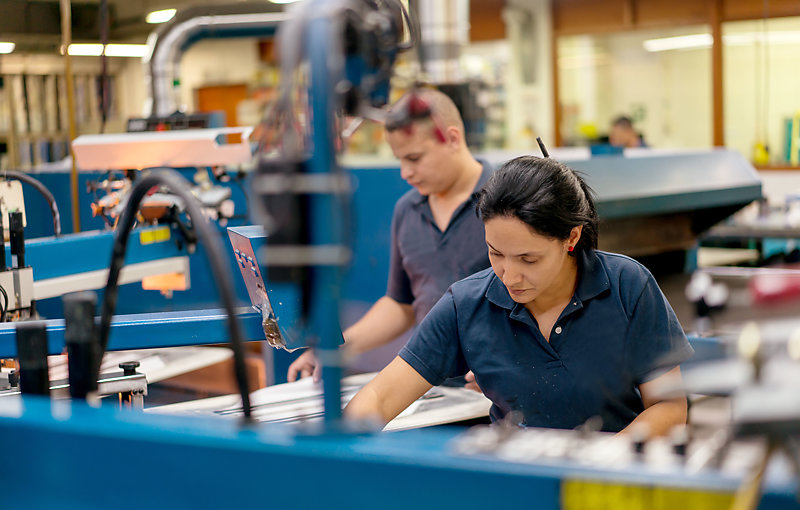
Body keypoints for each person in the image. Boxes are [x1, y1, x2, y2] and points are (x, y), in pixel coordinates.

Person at [345, 155, 693, 435]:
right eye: (495, 253)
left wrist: (600, 462)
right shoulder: (466, 305)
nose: (509, 276)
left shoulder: (627, 286)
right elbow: (380, 395)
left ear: (571, 238)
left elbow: (670, 407)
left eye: (529, 259)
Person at [287, 88, 493, 384]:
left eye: (414, 157)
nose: (405, 173)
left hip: (496, 399)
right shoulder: (408, 210)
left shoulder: (504, 203)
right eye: (399, 159)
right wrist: (338, 348)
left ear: (452, 138)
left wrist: (508, 367)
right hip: (431, 388)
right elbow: (401, 304)